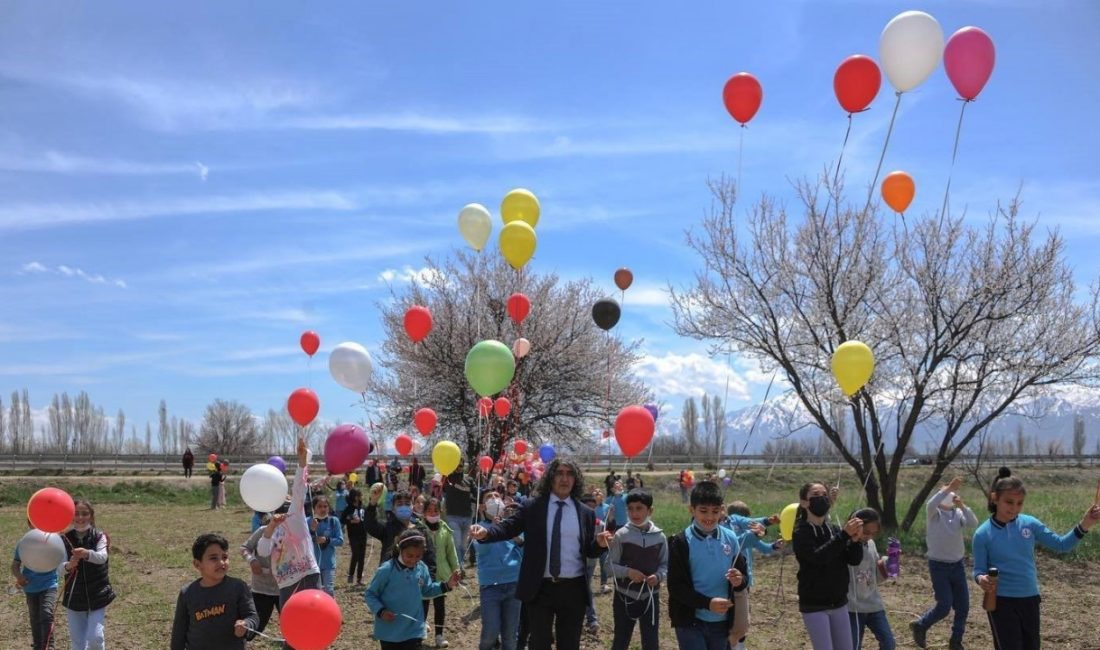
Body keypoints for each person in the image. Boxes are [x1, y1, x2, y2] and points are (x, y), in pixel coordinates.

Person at [469, 457, 612, 650]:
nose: (565, 478)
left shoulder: (585, 512)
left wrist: (600, 544)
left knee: (569, 645)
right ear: (550, 478)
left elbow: (588, 550)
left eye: (570, 474)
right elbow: (508, 528)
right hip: (539, 589)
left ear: (576, 479)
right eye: (559, 473)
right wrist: (486, 533)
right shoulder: (532, 507)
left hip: (573, 590)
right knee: (539, 644)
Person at [972, 467, 1100, 650]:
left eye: (1019, 503)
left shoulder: (1030, 524)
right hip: (1001, 601)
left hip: (1030, 598)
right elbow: (978, 570)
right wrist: (981, 579)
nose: (1014, 508)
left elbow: (1062, 545)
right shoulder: (982, 534)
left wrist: (1086, 523)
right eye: (1009, 502)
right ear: (994, 498)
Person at [257, 437, 322, 649]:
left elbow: (299, 490)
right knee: (292, 630)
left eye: (286, 497)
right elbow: (262, 551)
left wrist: (302, 463)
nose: (284, 499)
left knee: (314, 625)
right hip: (285, 583)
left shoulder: (296, 516)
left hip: (307, 576)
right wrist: (269, 529)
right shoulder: (269, 530)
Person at [667, 480, 747, 650]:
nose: (709, 517)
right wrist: (707, 603)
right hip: (690, 621)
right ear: (692, 509)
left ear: (722, 510)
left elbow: (744, 576)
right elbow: (675, 587)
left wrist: (739, 580)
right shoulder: (680, 542)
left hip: (722, 622)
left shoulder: (731, 538)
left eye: (715, 511)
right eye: (703, 511)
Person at [792, 482, 863, 650]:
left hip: (839, 602)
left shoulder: (835, 530)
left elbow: (853, 560)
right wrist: (844, 535)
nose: (822, 499)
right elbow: (818, 557)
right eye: (816, 495)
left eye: (824, 495)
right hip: (814, 604)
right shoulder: (801, 532)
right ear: (804, 502)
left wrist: (855, 541)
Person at [910, 477, 979, 650]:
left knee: (963, 606)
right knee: (944, 605)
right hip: (938, 565)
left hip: (957, 565)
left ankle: (956, 641)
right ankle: (921, 625)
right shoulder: (934, 514)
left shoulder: (958, 514)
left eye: (952, 492)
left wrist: (962, 505)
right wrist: (947, 488)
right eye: (946, 491)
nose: (950, 494)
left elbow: (973, 523)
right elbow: (931, 504)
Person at [364, 529, 461, 650]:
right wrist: (381, 611)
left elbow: (427, 590)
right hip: (390, 632)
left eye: (418, 556)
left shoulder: (422, 568)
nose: (414, 560)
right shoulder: (386, 570)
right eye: (409, 556)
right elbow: (370, 594)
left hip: (414, 631)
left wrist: (447, 585)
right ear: (400, 550)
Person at [170, 533, 258, 649]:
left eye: (224, 557)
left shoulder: (238, 587)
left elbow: (252, 616)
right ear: (197, 564)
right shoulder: (188, 593)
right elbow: (179, 632)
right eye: (213, 558)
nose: (221, 562)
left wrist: (246, 625)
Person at [608, 488, 667, 650]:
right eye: (630, 508)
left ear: (650, 510)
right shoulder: (621, 535)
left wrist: (658, 576)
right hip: (624, 596)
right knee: (621, 639)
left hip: (650, 597)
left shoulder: (660, 537)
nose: (634, 513)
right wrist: (628, 572)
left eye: (639, 508)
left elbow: (665, 564)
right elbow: (609, 566)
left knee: (651, 641)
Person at [724, 501, 784, 650]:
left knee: (743, 615)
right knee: (730, 613)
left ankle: (740, 644)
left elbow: (764, 547)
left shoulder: (741, 525)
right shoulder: (729, 531)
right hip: (728, 578)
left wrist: (774, 545)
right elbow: (743, 538)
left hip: (745, 580)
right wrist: (755, 532)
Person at [62, 499, 116, 650]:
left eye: (84, 513)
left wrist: (86, 554)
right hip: (74, 596)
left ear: (91, 516)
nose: (80, 517)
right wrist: (68, 565)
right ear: (71, 516)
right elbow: (58, 568)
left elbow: (101, 557)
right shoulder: (64, 538)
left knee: (95, 638)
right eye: (76, 514)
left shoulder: (99, 536)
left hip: (97, 594)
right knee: (78, 643)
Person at [473, 500, 524, 650]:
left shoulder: (512, 527)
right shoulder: (479, 527)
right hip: (490, 586)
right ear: (483, 507)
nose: (495, 501)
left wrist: (512, 535)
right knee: (490, 633)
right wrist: (490, 532)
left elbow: (523, 548)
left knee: (510, 635)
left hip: (513, 583)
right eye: (490, 497)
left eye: (498, 497)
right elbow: (481, 550)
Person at [846, 509, 894, 650]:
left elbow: (874, 578)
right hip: (852, 607)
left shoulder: (871, 544)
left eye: (874, 533)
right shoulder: (846, 546)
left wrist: (888, 564)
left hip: (874, 604)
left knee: (889, 644)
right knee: (853, 646)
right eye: (866, 532)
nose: (869, 536)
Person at [12, 522, 60, 650]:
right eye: (34, 523)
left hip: (49, 583)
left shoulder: (53, 540)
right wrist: (19, 576)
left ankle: (49, 645)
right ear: (29, 523)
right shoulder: (24, 543)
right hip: (31, 586)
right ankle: (38, 645)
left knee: (46, 612)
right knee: (35, 617)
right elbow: (15, 565)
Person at [241, 509, 286, 642]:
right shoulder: (262, 531)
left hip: (284, 588)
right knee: (256, 624)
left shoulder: (292, 533)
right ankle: (238, 641)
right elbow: (244, 548)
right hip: (261, 588)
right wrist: (252, 560)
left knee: (290, 621)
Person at [422, 498, 459, 648]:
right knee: (423, 603)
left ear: (440, 512)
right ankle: (421, 629)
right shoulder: (419, 529)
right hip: (423, 574)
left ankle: (439, 635)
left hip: (442, 575)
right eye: (429, 511)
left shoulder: (445, 530)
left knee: (440, 606)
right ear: (424, 513)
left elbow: (451, 552)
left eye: (435, 511)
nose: (433, 514)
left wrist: (456, 568)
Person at [308, 495, 344, 597]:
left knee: (329, 590)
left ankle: (331, 612)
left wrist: (327, 540)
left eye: (325, 506)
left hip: (328, 563)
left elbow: (340, 540)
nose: (323, 509)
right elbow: (303, 541)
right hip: (312, 564)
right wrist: (312, 531)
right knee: (315, 592)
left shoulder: (334, 521)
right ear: (314, 508)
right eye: (319, 506)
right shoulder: (308, 521)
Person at [579, 494, 604, 633]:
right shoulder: (575, 521)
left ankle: (592, 619)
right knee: (584, 588)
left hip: (590, 561)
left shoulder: (599, 523)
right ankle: (590, 619)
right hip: (578, 561)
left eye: (593, 508)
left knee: (586, 588)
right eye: (588, 507)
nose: (591, 510)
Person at [442, 465, 474, 568]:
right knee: (457, 543)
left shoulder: (469, 479)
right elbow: (441, 488)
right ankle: (459, 568)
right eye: (456, 465)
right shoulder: (447, 478)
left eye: (461, 465)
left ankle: (459, 565)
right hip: (452, 516)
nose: (458, 467)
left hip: (467, 516)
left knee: (464, 546)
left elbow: (476, 494)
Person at [342, 488, 369, 585]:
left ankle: (359, 579)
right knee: (355, 554)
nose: (361, 497)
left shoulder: (363, 508)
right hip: (353, 535)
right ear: (354, 497)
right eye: (359, 495)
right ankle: (351, 575)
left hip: (363, 534)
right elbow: (342, 519)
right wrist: (351, 521)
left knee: (362, 557)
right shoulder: (348, 508)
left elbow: (367, 518)